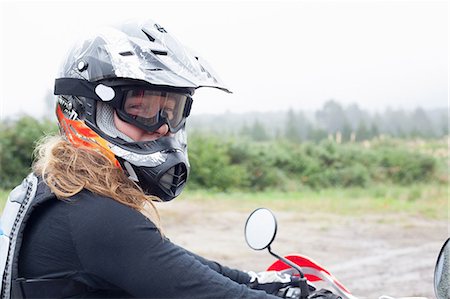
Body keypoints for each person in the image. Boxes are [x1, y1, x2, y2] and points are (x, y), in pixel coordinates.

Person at [0, 19, 340, 298]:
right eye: (140, 108)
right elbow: (206, 292)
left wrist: (256, 279)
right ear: (88, 110)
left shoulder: (63, 192)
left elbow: (172, 262)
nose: (161, 127)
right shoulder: (93, 218)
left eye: (170, 110)